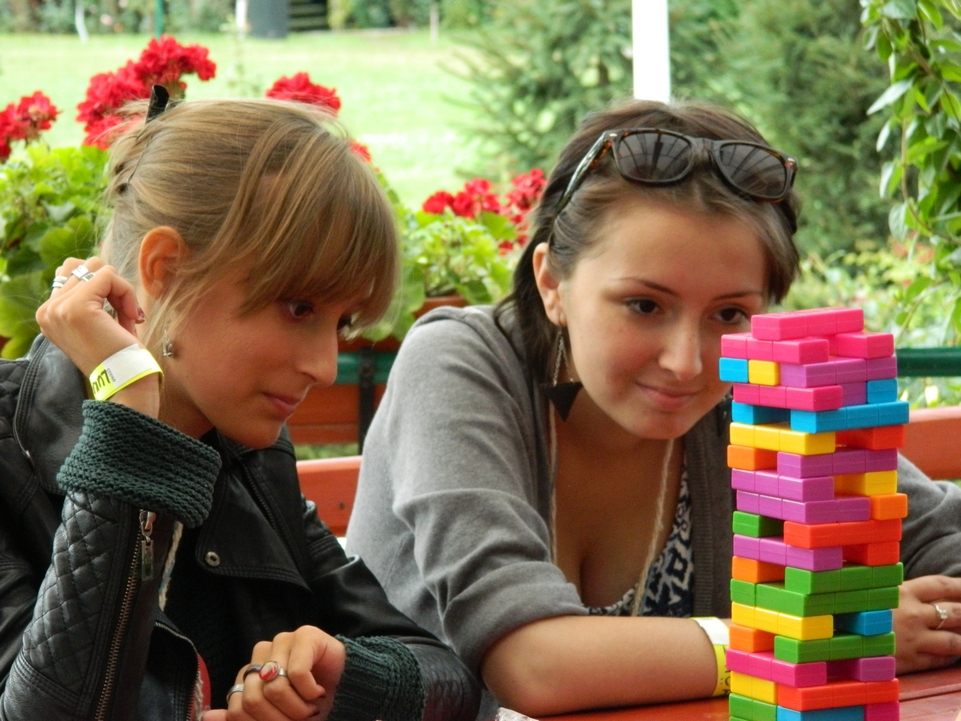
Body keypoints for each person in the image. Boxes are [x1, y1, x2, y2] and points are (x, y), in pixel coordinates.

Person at [346, 97, 961, 718]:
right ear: (551, 282)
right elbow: (531, 664)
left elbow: (945, 542)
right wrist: (820, 638)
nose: (687, 362)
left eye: (729, 313)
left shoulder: (753, 389)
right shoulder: (459, 363)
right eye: (644, 305)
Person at [0, 90, 480, 721]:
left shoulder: (249, 458)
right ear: (166, 270)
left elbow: (448, 676)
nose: (324, 366)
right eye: (299, 307)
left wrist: (340, 678)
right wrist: (130, 419)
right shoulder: (8, 451)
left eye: (341, 322)